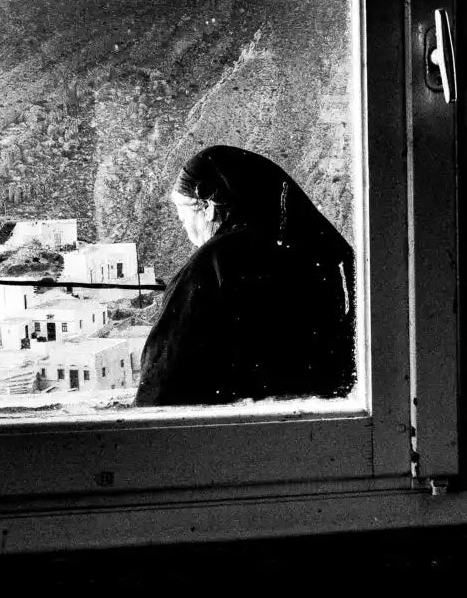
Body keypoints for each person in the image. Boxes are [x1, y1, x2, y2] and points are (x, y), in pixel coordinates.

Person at [134, 145, 357, 405]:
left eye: (184, 213)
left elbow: (164, 375)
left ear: (207, 207)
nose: (183, 226)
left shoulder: (214, 262)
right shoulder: (312, 254)